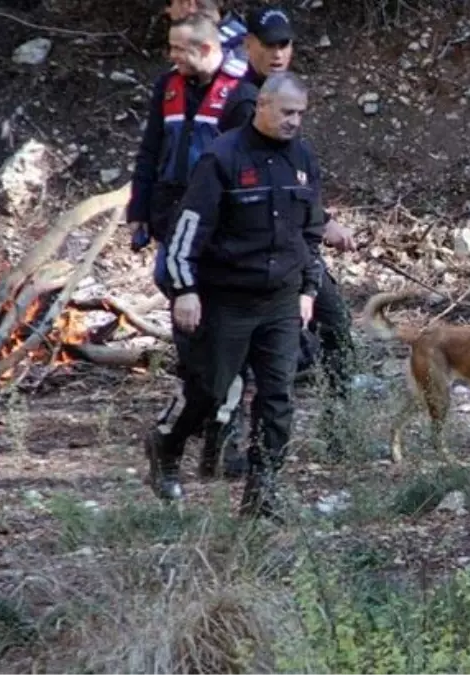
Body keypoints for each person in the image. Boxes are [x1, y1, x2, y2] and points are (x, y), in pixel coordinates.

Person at [144, 71, 326, 522]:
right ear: (262, 106)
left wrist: (308, 289)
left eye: (300, 114)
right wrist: (185, 289)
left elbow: (311, 231)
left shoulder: (302, 157)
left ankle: (261, 497)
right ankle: (166, 443)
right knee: (210, 388)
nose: (293, 122)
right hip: (225, 295)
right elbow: (188, 228)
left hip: (282, 297)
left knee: (278, 396)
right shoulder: (222, 156)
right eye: (287, 112)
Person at [219, 6, 359, 458]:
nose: (279, 52)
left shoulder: (281, 96)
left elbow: (295, 175)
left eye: (285, 44)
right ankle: (225, 445)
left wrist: (320, 218)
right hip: (258, 250)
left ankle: (340, 432)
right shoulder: (246, 102)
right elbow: (261, 180)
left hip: (293, 240)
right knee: (244, 354)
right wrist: (318, 222)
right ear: (248, 45)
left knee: (333, 329)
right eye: (269, 43)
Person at [126, 14, 254, 481]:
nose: (172, 57)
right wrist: (138, 210)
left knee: (234, 350)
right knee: (198, 347)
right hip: (171, 222)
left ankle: (218, 444)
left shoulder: (242, 94)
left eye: (179, 49)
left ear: (204, 49)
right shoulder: (168, 87)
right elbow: (150, 149)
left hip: (221, 231)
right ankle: (181, 439)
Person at [166, 0, 247, 58]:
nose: (167, 10)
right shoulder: (243, 36)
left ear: (189, 3)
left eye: (170, 3)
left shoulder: (221, 49)